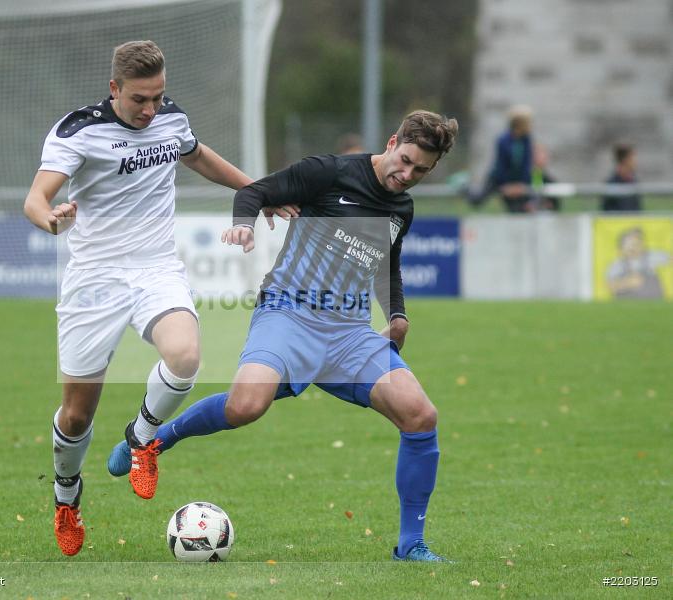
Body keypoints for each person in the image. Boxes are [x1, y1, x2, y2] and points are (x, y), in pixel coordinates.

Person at [108, 110, 459, 562]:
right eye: (405, 160)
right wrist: (244, 223)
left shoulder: (401, 208)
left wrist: (397, 314)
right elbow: (256, 190)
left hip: (349, 332)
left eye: (420, 172)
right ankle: (155, 441)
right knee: (245, 407)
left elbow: (385, 265)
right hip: (289, 312)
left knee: (421, 416)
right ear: (392, 142)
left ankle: (411, 545)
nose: (406, 175)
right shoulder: (330, 172)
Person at [23, 40, 292, 557]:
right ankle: (66, 496)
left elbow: (199, 157)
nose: (150, 110)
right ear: (114, 89)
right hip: (94, 279)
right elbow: (37, 197)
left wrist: (259, 191)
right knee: (76, 415)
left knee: (186, 356)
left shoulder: (170, 119)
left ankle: (143, 435)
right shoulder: (78, 130)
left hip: (154, 268)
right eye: (139, 99)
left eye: (158, 97)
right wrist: (49, 218)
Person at [469, 105, 532, 212]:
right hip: (499, 179)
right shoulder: (503, 140)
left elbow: (526, 163)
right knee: (477, 199)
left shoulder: (526, 140)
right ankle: (464, 187)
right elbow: (500, 165)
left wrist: (521, 184)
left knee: (519, 208)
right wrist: (505, 185)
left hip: (517, 181)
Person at [606, 227, 671, 299]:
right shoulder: (618, 265)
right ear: (621, 248)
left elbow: (669, 259)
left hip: (654, 303)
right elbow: (611, 287)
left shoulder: (650, 257)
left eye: (636, 243)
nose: (633, 247)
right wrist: (627, 283)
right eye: (630, 244)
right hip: (627, 305)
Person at [601, 144, 642, 212]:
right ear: (625, 159)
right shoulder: (611, 183)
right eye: (632, 158)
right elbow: (607, 212)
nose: (635, 162)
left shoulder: (634, 182)